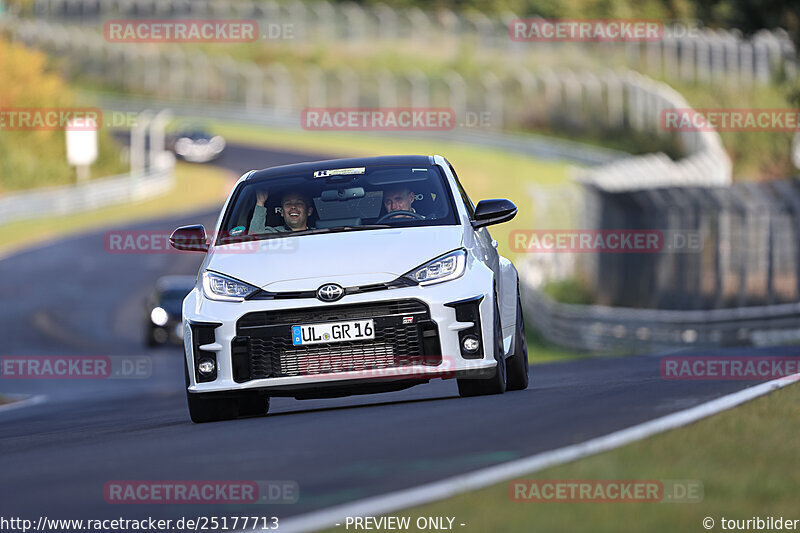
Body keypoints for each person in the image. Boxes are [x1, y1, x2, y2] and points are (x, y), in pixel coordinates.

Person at [249, 189, 314, 234]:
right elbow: (253, 241)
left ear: (309, 211)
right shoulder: (272, 234)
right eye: (288, 203)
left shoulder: (319, 233)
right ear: (282, 212)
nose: (293, 206)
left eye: (299, 203)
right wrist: (260, 202)